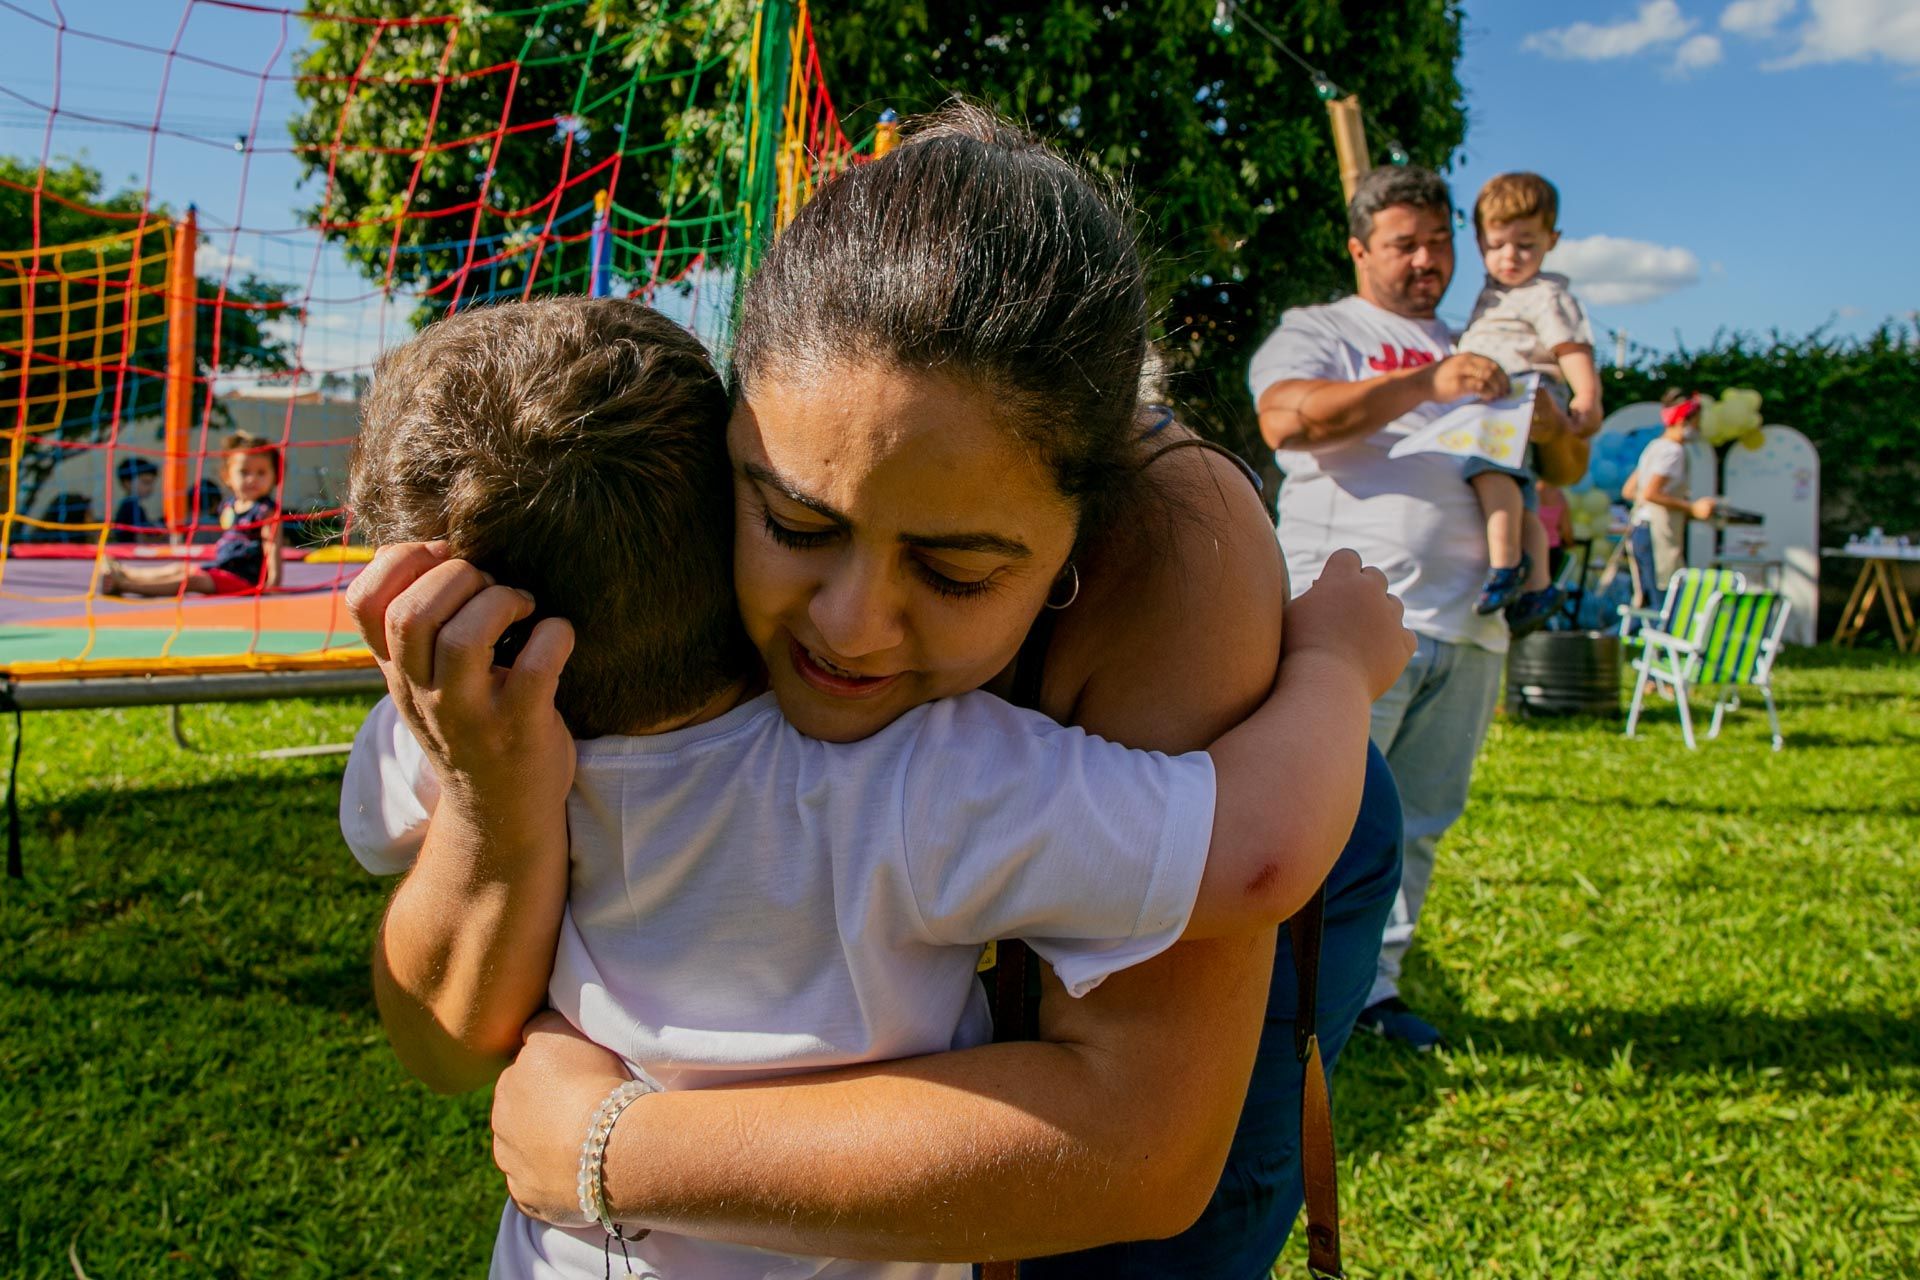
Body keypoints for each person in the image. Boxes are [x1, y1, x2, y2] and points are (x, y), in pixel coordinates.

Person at [346, 104, 1407, 1278]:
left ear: (1080, 540)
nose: (847, 626)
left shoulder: (1171, 543)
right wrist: (493, 816)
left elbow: (1145, 1145)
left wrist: (607, 1148)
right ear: (729, 435)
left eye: (955, 568)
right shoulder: (646, 527)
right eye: (795, 522)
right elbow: (443, 1042)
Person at [1248, 164, 1592, 1050]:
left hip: (1471, 624)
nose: (1427, 260)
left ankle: (1374, 995)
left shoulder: (1489, 331)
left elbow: (1564, 471)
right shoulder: (1322, 329)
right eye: (1405, 244)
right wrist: (1425, 385)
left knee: (1420, 826)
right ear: (1361, 249)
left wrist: (1553, 429)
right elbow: (1286, 420)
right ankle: (1275, 1002)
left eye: (1440, 241)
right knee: (1316, 820)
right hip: (1346, 628)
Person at [1454, 171, 1602, 635]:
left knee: (1489, 472)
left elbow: (1571, 348)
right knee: (1522, 497)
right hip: (1506, 397)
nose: (1509, 256)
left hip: (1520, 397)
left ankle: (1504, 567)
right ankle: (1538, 584)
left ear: (1551, 241)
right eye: (1497, 245)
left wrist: (1588, 398)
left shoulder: (1544, 294)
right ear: (1480, 241)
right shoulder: (1496, 293)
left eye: (1525, 245)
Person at [101, 431, 281, 596]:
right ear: (227, 476)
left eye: (261, 473)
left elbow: (272, 548)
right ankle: (126, 572)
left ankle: (125, 585)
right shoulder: (231, 505)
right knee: (180, 568)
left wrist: (273, 583)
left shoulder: (266, 512)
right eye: (244, 472)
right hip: (222, 569)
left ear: (275, 476)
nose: (252, 479)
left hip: (244, 580)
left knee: (192, 581)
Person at [1626, 389, 1716, 608]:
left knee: (1647, 597)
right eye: (1697, 420)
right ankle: (1661, 641)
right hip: (1657, 534)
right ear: (1685, 420)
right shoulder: (1673, 451)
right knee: (1666, 600)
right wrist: (1691, 507)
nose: (1699, 427)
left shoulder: (1654, 447)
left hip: (1639, 529)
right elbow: (1650, 493)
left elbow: (1630, 490)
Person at [110, 457, 164, 542]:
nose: (150, 488)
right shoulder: (131, 508)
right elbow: (142, 539)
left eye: (152, 483)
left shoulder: (130, 506)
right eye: (146, 482)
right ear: (127, 483)